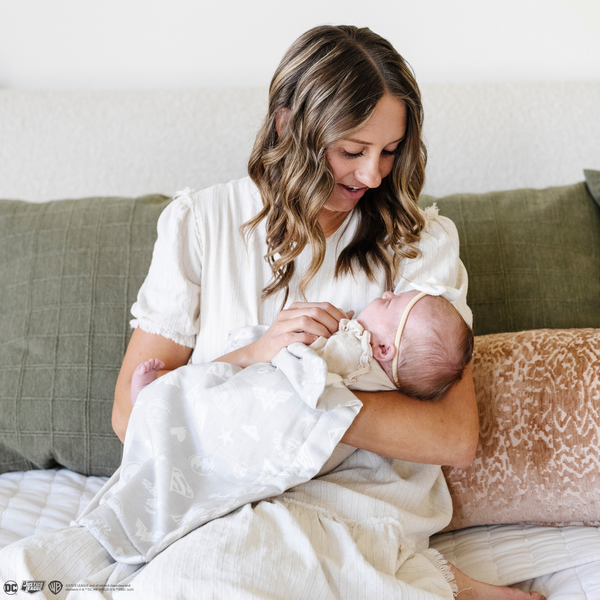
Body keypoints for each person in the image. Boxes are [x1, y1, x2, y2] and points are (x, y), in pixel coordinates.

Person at [0, 24, 546, 600]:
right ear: (289, 124)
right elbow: (132, 415)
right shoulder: (201, 225)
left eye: (389, 151)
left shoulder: (418, 242)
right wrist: (258, 364)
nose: (373, 175)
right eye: (351, 151)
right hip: (216, 497)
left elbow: (454, 436)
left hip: (354, 506)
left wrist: (300, 398)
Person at [130, 288, 475, 406]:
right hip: (263, 375)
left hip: (271, 390)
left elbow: (318, 369)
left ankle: (161, 395)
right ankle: (164, 394)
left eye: (389, 303)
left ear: (383, 349)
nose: (386, 293)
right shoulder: (376, 370)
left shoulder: (357, 355)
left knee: (221, 391)